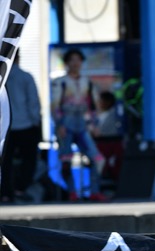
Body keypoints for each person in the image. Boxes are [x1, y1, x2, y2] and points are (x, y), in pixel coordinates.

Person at [50, 48, 107, 202]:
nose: (75, 63)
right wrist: (59, 124)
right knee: (66, 160)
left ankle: (94, 191)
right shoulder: (60, 82)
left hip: (83, 124)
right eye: (72, 60)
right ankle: (72, 192)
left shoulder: (87, 82)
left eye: (78, 60)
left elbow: (93, 106)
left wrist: (95, 124)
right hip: (66, 123)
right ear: (67, 63)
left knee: (98, 159)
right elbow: (55, 105)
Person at [1, 51, 42, 203]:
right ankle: (21, 188)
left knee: (5, 162)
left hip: (5, 128)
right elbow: (33, 101)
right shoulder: (26, 77)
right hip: (26, 125)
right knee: (29, 160)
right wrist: (36, 121)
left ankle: (5, 192)